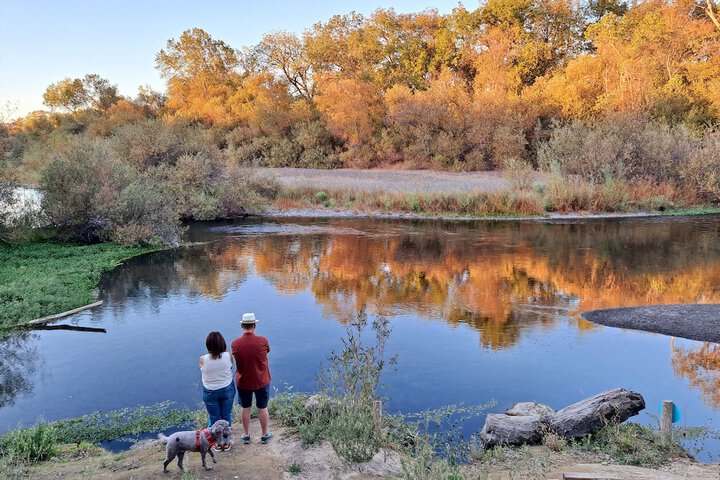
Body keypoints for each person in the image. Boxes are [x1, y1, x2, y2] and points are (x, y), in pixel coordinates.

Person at [231, 312, 272, 444]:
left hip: (243, 381)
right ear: (254, 325)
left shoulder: (235, 344)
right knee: (262, 407)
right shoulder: (263, 341)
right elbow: (267, 351)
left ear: (242, 325)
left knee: (245, 407)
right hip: (262, 380)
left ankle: (246, 435)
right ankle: (264, 434)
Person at [199, 331, 235, 451]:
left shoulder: (202, 359)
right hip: (227, 390)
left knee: (214, 417)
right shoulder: (229, 356)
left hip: (210, 392)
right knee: (226, 416)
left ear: (208, 345)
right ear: (222, 343)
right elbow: (230, 367)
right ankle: (226, 442)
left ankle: (217, 443)